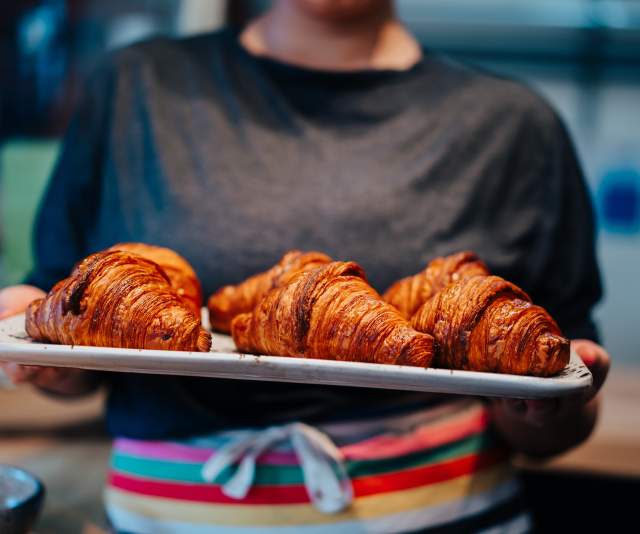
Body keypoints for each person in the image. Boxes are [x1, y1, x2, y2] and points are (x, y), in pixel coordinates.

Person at [0, 1, 610, 532]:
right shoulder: (133, 86)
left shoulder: (513, 125)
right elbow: (69, 323)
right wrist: (41, 361)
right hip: (166, 521)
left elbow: (560, 391)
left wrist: (539, 409)